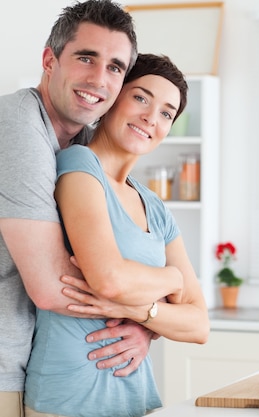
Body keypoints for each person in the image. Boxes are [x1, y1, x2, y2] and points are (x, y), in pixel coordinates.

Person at [24, 53, 210, 417]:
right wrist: (170, 280)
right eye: (141, 97)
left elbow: (199, 324)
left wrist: (140, 312)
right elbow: (107, 279)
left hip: (135, 398)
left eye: (166, 113)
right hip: (69, 397)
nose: (150, 118)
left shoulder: (155, 206)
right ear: (113, 97)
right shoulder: (78, 166)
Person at [0, 2, 155, 416]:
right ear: (50, 60)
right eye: (86, 57)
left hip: (42, 369)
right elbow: (53, 286)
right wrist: (156, 310)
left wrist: (144, 325)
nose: (98, 79)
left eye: (115, 67)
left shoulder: (85, 147)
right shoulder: (18, 124)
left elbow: (119, 259)